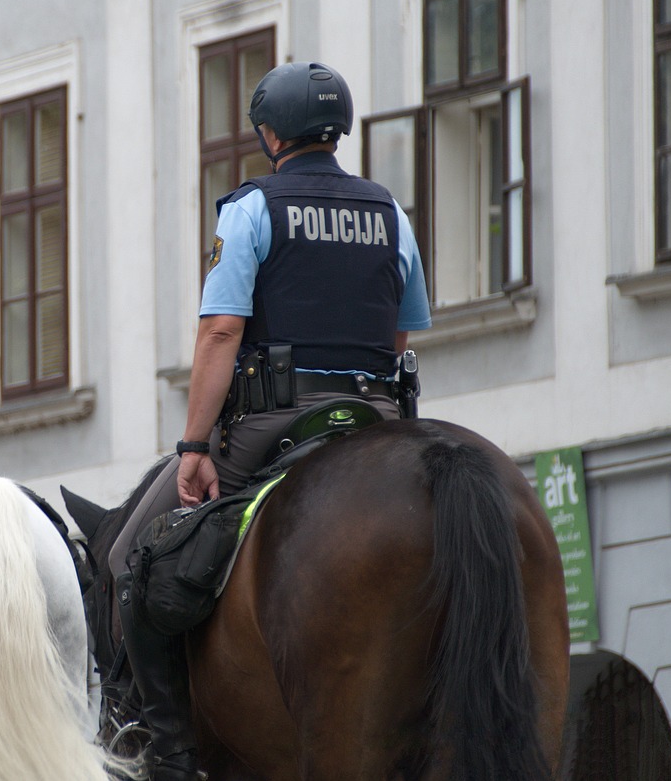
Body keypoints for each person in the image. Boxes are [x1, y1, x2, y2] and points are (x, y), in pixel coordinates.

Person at [111, 61, 432, 781]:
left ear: (268, 133)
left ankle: (170, 754)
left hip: (274, 422)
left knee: (132, 565)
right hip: (377, 419)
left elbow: (222, 332)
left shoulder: (252, 208)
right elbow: (401, 336)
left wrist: (195, 445)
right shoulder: (388, 212)